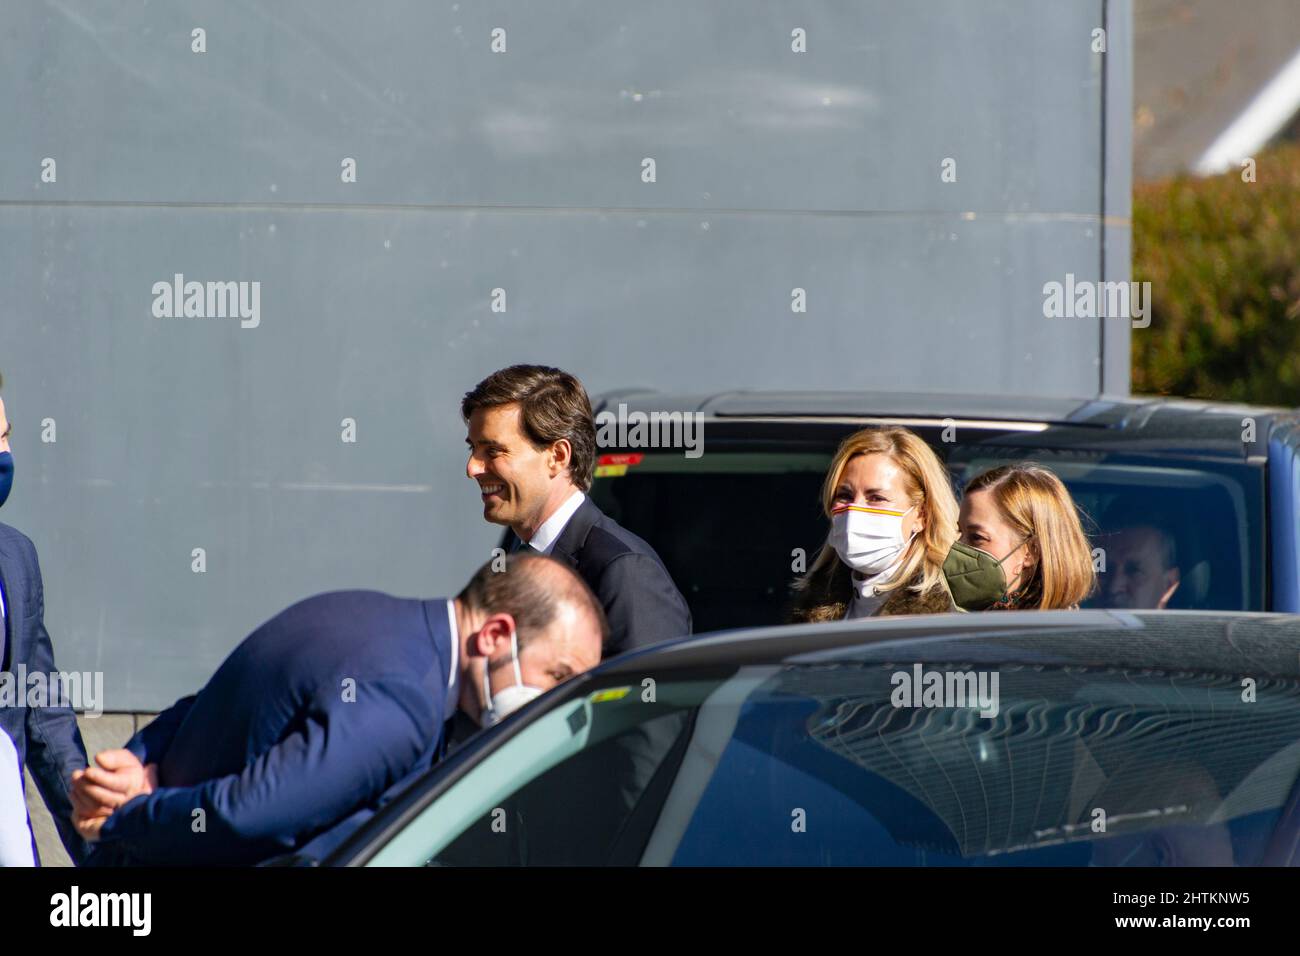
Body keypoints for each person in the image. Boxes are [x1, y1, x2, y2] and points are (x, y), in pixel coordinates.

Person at [71, 553, 606, 866]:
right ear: (495, 635)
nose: (557, 701)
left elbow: (219, 697)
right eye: (557, 677)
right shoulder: (405, 701)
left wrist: (141, 759)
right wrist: (129, 814)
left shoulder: (370, 616)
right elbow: (255, 814)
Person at [462, 364, 691, 656]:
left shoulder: (623, 571)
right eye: (473, 449)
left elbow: (647, 698)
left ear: (557, 456)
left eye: (493, 451)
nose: (472, 468)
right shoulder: (513, 563)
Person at [0, 375, 89, 865]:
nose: (6, 457)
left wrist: (100, 841)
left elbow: (44, 716)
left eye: (6, 437)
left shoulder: (16, 558)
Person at [790, 426, 960, 622]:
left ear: (921, 515)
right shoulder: (812, 603)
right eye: (844, 495)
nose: (854, 511)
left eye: (876, 498)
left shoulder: (952, 611)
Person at [956, 463, 1096, 610]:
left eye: (977, 537)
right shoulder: (958, 617)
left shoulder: (1061, 630)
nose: (958, 548)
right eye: (960, 533)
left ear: (1032, 550)